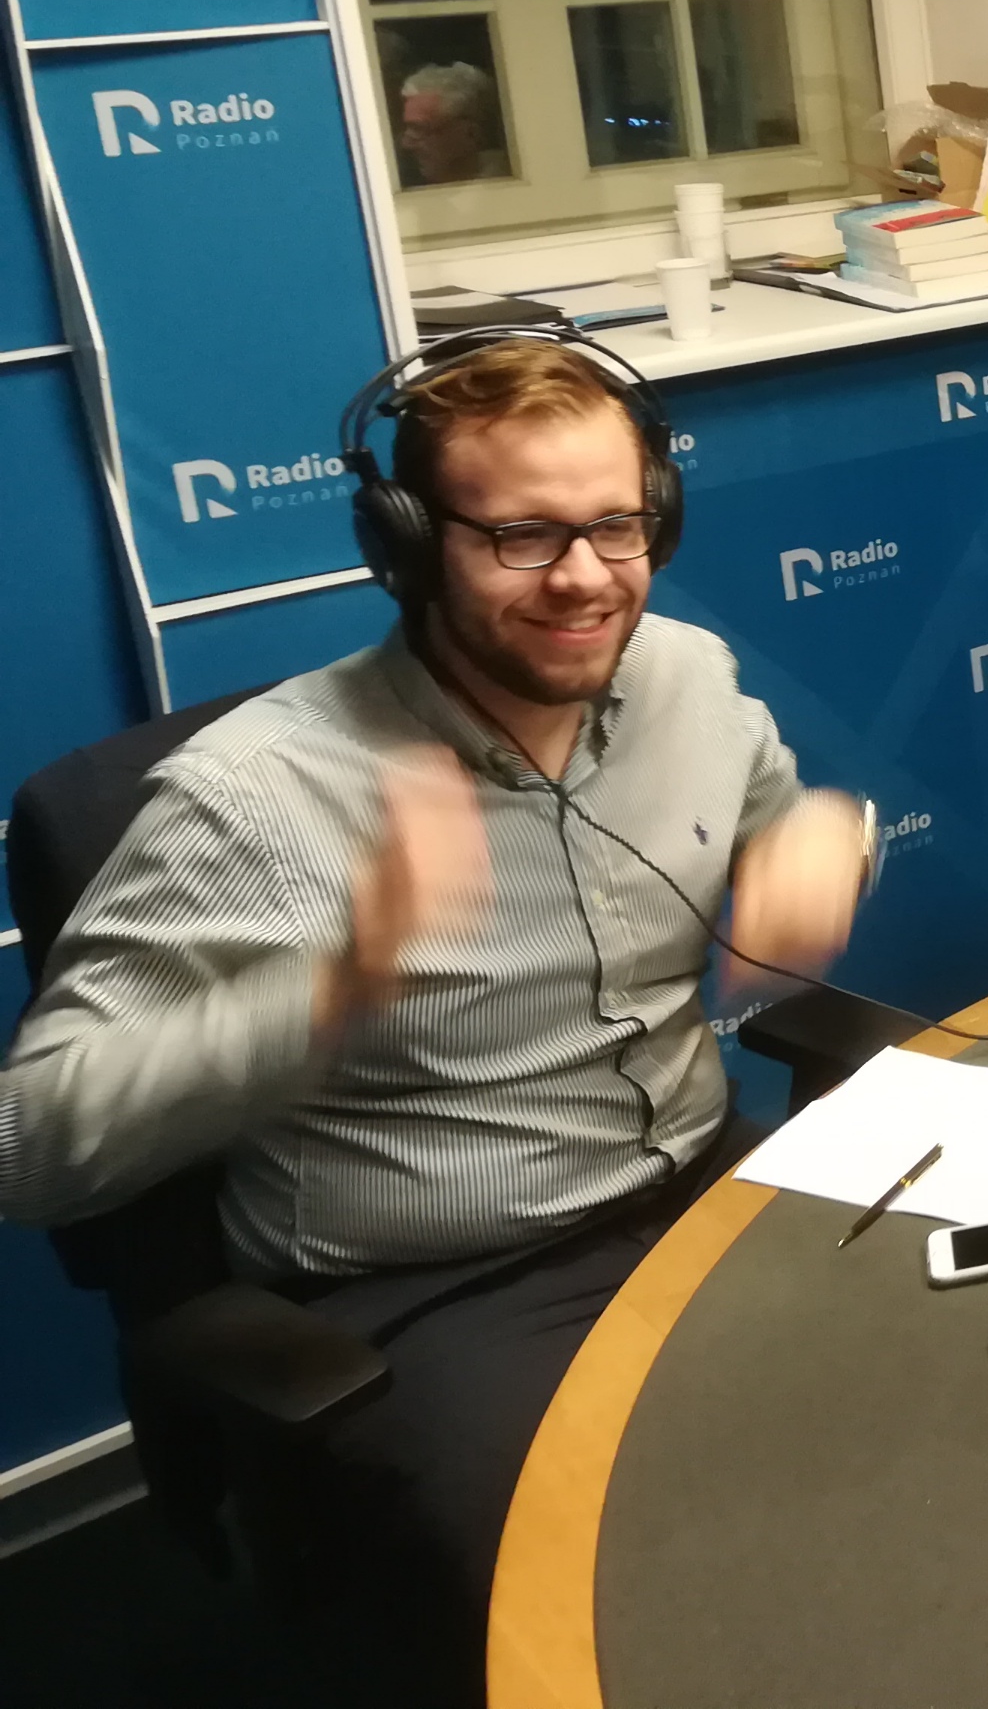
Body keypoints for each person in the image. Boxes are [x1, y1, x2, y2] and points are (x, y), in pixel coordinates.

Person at [0, 334, 871, 1705]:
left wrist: (820, 844)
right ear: (408, 545)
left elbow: (777, 839)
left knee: (953, 1408)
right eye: (522, 536)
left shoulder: (689, 678)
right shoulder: (253, 801)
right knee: (622, 1615)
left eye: (617, 525)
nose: (585, 577)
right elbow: (30, 1150)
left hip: (708, 1190)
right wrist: (337, 981)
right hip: (444, 1294)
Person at [396, 60, 507, 185]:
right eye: (408, 129)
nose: (406, 144)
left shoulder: (507, 186)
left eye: (419, 129)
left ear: (472, 134)